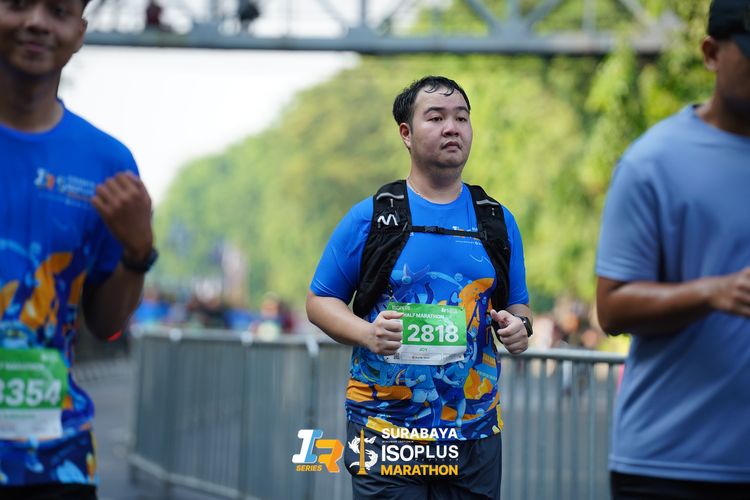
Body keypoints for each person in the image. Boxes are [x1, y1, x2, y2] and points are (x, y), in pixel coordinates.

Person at [307, 75, 532, 499]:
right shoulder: (372, 217)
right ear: (406, 134)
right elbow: (319, 300)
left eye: (461, 118)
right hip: (385, 429)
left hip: (473, 433)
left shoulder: (497, 221)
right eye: (436, 117)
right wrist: (367, 334)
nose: (452, 128)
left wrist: (519, 328)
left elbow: (518, 306)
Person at [0, 0, 157, 497]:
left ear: (79, 32)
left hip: (54, 464)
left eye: (58, 11)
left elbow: (106, 324)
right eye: (18, 4)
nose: (36, 22)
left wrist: (138, 253)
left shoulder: (108, 165)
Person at [595, 1, 750, 498]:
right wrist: (712, 293)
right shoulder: (652, 162)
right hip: (671, 467)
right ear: (711, 53)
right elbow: (611, 308)